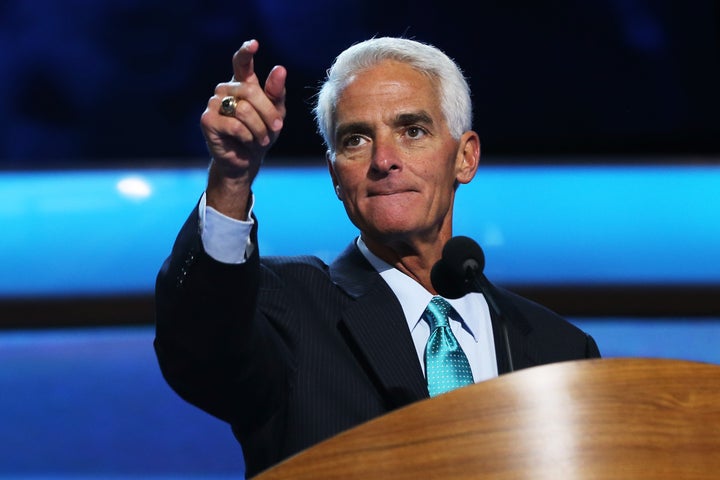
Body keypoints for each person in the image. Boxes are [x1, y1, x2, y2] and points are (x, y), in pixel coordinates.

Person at [154, 37, 601, 477]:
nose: (383, 159)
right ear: (335, 174)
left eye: (412, 131)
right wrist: (231, 178)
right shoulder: (286, 308)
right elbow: (201, 350)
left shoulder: (558, 348)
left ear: (465, 158)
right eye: (355, 139)